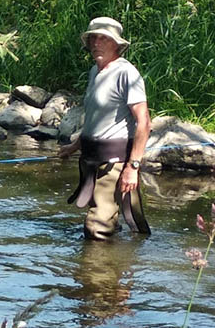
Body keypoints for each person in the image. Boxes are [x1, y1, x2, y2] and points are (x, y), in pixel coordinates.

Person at [59, 17, 151, 239]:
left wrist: (133, 167)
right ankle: (125, 265)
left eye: (104, 38)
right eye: (93, 38)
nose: (96, 43)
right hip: (91, 159)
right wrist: (74, 146)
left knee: (97, 227)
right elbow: (96, 118)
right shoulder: (95, 72)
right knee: (133, 224)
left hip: (114, 164)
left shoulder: (127, 73)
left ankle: (97, 272)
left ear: (117, 44)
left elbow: (144, 121)